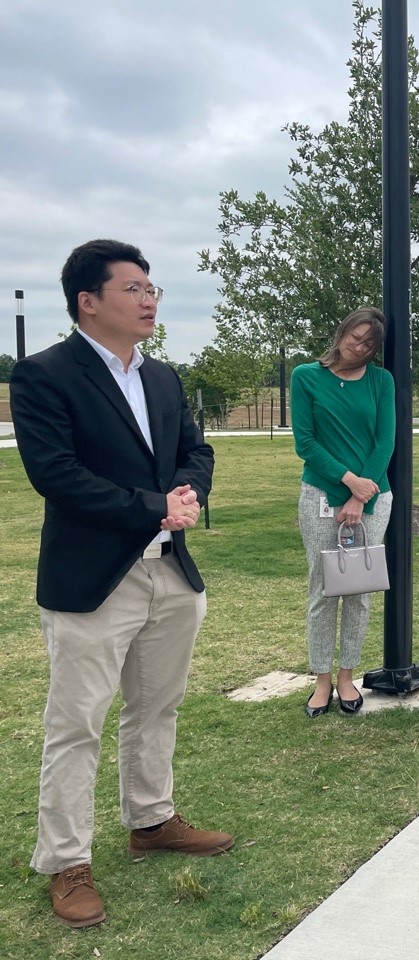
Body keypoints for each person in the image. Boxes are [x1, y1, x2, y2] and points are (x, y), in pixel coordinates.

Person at [10, 239, 233, 929]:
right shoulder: (44, 375)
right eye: (134, 288)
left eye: (152, 287)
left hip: (170, 571)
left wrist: (188, 492)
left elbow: (195, 449)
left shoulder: (164, 377)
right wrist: (151, 507)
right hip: (92, 581)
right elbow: (55, 474)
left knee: (156, 707)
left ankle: (152, 819)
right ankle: (67, 862)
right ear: (89, 300)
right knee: (76, 725)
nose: (149, 298)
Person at [290, 307, 395, 718]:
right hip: (321, 493)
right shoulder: (305, 376)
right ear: (342, 331)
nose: (359, 346)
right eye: (356, 335)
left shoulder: (380, 381)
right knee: (322, 587)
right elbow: (306, 442)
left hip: (373, 497)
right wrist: (349, 482)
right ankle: (321, 680)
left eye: (369, 343)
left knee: (358, 589)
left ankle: (348, 676)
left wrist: (361, 495)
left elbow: (385, 442)